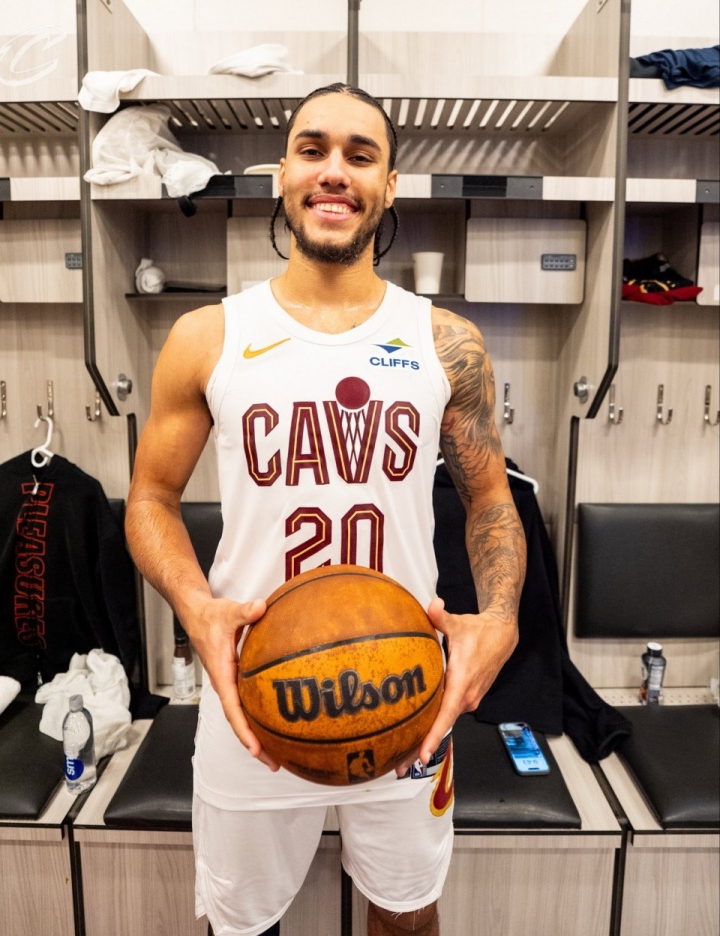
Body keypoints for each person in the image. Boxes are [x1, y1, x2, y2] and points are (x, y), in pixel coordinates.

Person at [125, 82, 526, 936]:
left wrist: (501, 617)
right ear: (282, 174)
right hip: (251, 689)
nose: (334, 171)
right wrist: (195, 606)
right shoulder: (208, 336)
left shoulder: (447, 342)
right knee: (239, 925)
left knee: (409, 915)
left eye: (360, 154)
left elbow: (490, 499)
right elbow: (151, 498)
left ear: (390, 186)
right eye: (312, 150)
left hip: (406, 686)